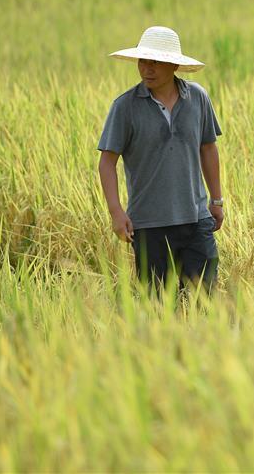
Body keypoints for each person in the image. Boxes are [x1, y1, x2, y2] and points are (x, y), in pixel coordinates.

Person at [97, 25, 224, 301]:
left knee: (205, 302)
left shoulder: (198, 98)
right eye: (144, 61)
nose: (147, 69)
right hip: (149, 226)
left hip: (196, 220)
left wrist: (216, 201)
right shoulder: (125, 106)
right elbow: (107, 162)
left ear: (174, 65)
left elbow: (208, 148)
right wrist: (116, 211)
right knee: (158, 309)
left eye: (156, 62)